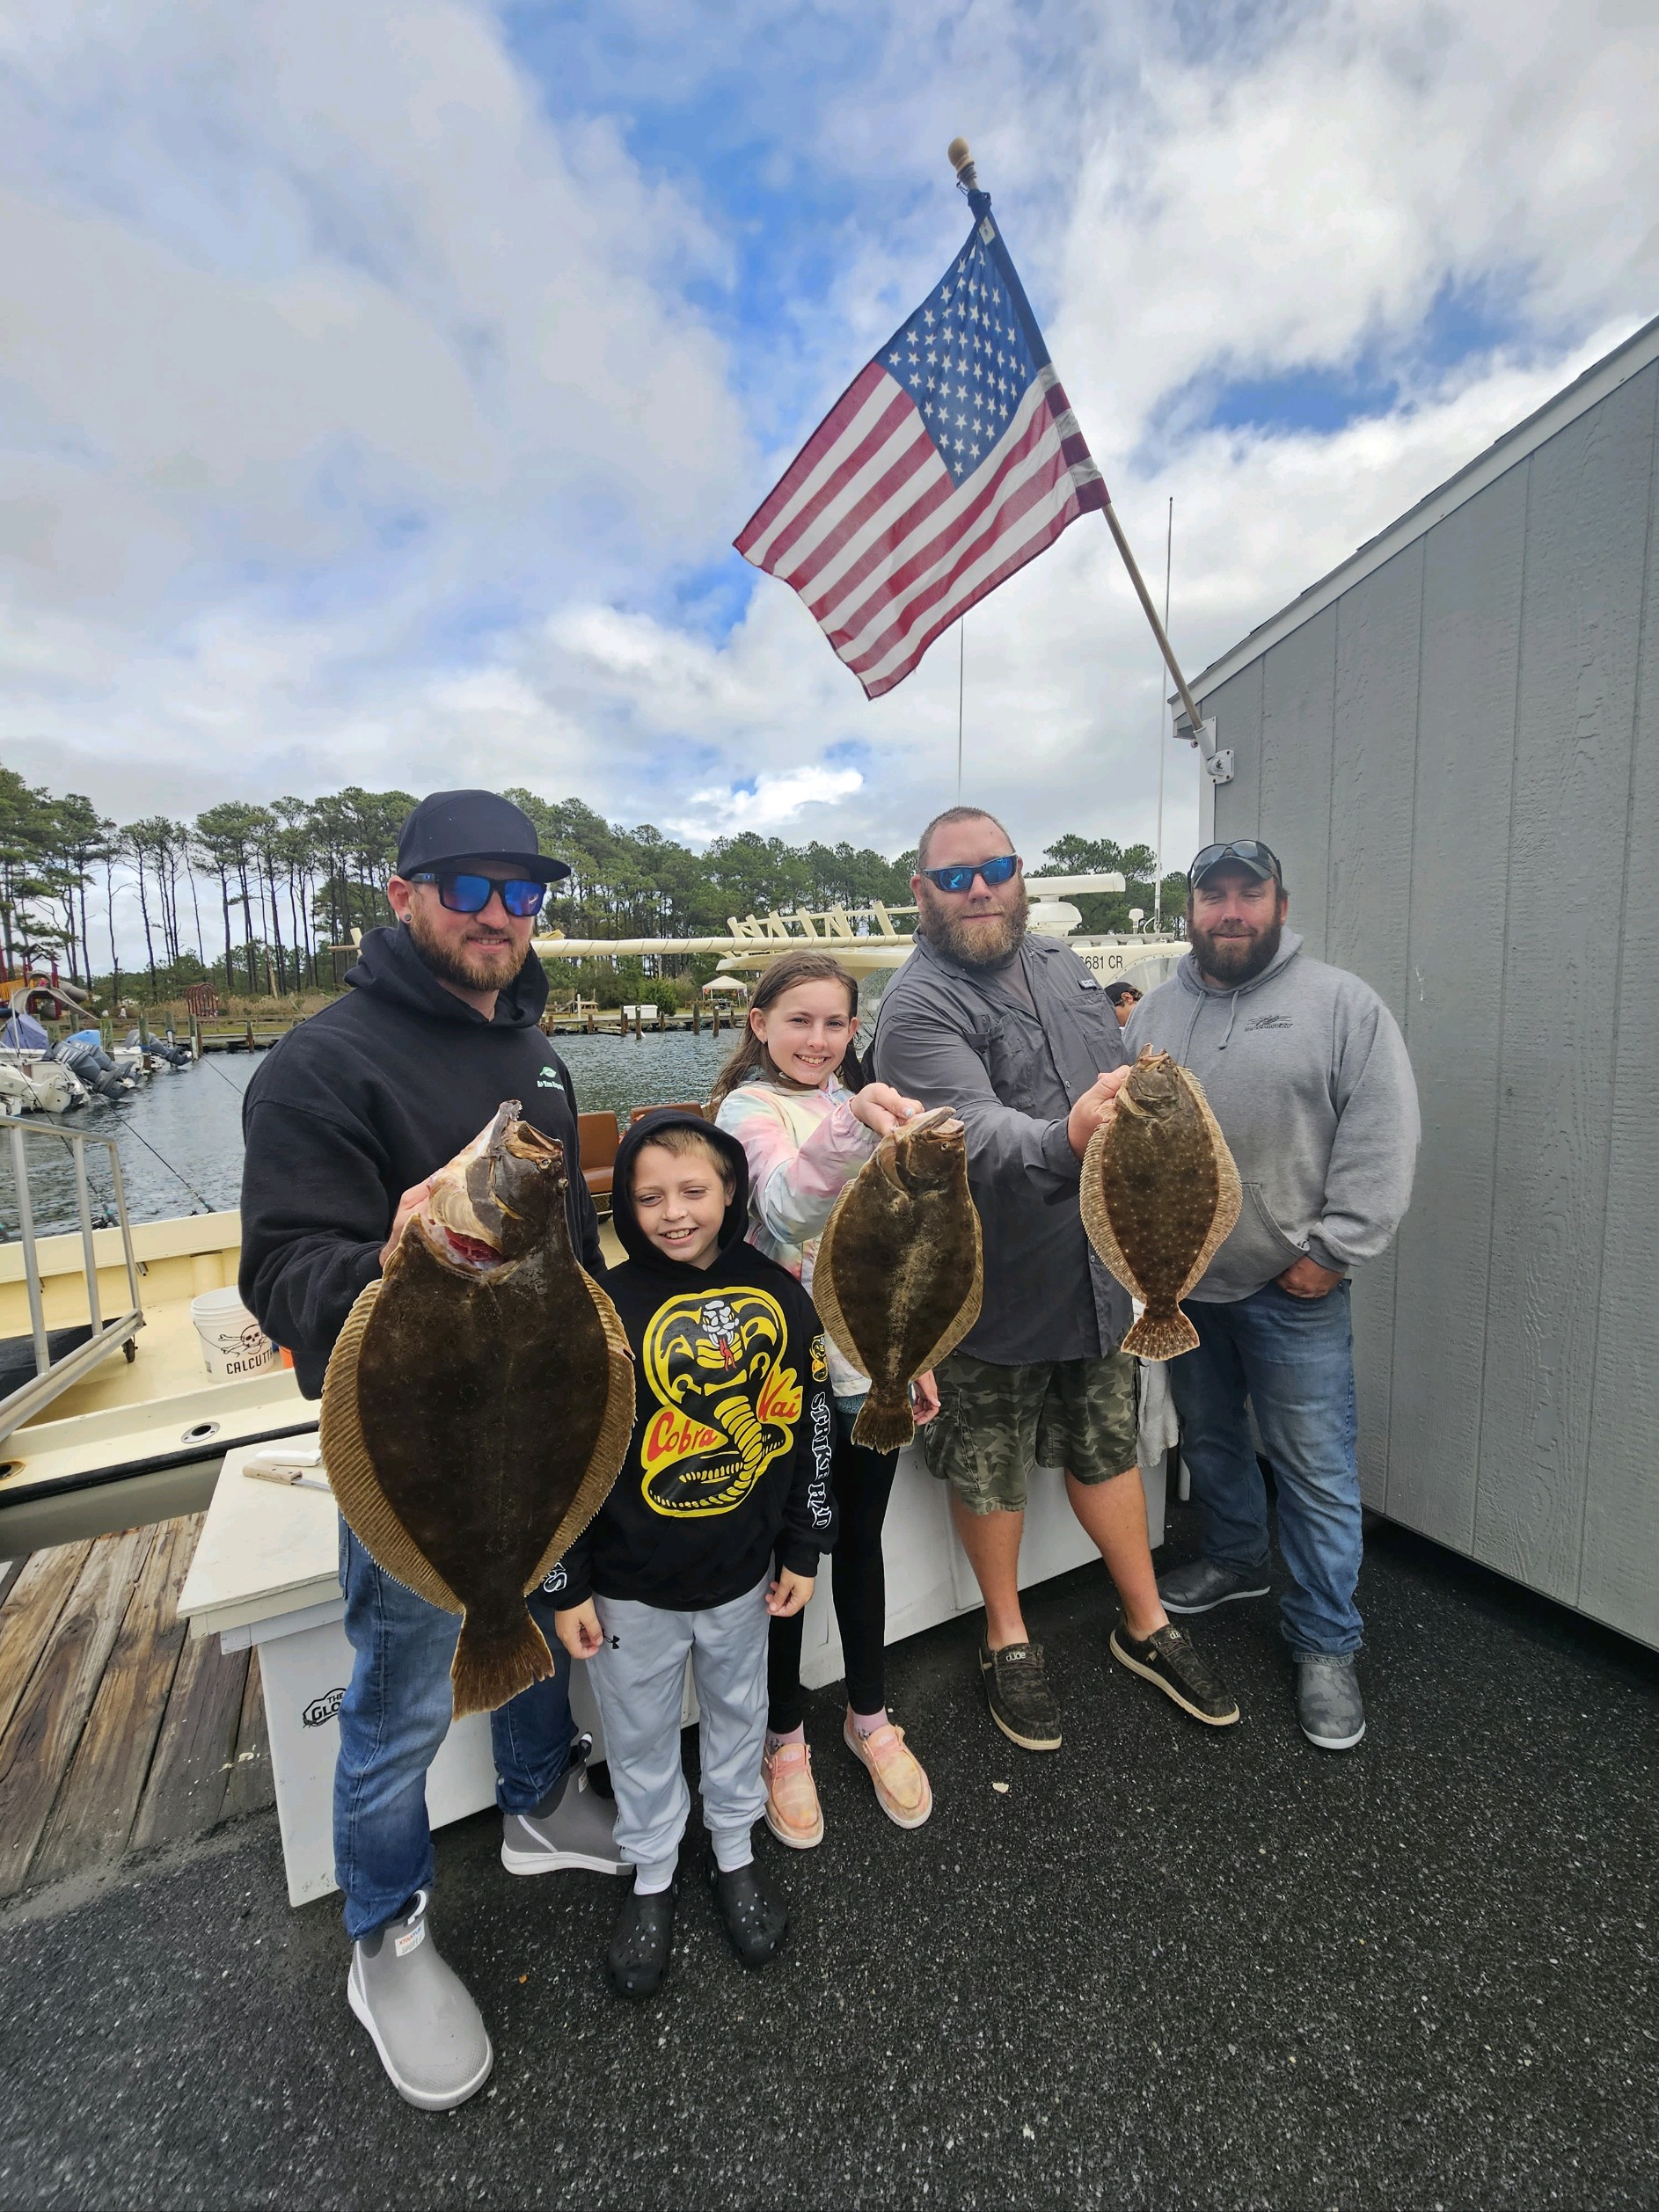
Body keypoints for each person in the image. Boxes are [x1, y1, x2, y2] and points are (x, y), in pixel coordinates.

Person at [239, 790, 625, 2112]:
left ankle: (535, 1800)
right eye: (467, 885)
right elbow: (283, 1275)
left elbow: (572, 1253)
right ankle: (386, 1928)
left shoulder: (535, 1049)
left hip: (538, 1419)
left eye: (523, 892)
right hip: (412, 1444)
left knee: (530, 1617)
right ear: (401, 895)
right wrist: (396, 1256)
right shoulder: (320, 1063)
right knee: (400, 1697)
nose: (498, 914)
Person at [871, 806, 1238, 1752]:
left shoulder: (1063, 963)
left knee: (1106, 1448)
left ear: (1019, 872)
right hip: (990, 1288)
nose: (979, 889)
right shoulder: (915, 1005)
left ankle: (1146, 1621)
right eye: (955, 876)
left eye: (994, 869)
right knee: (988, 1466)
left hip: (1100, 1273)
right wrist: (1068, 1136)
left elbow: (1118, 1081)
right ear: (920, 891)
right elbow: (969, 1131)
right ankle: (1006, 1636)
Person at [1129, 838, 1420, 1752]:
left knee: (1315, 1469)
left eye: (1247, 894)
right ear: (1190, 911)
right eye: (1211, 895)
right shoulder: (1152, 1013)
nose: (1229, 910)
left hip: (1292, 1285)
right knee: (1212, 1438)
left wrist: (1336, 1248)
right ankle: (1234, 1557)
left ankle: (1326, 1638)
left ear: (1280, 906)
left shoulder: (1341, 1004)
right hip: (1181, 1285)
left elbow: (1381, 1131)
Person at [552, 1113, 835, 1999]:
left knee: (739, 1714)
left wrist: (805, 1544)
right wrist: (567, 1581)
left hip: (743, 1576)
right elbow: (565, 1455)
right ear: (624, 1206)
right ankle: (652, 1869)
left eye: (692, 1191)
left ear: (730, 1191)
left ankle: (734, 1848)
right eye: (648, 1197)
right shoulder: (602, 1307)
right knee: (637, 1734)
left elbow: (810, 1426)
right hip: (628, 1586)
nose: (672, 1213)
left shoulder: (781, 1293)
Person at [711, 950, 939, 1848]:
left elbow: (905, 1248)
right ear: (759, 1023)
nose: (817, 1038)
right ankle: (783, 1737)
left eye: (835, 1022)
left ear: (854, 1030)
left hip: (871, 1368)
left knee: (859, 1542)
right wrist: (854, 1122)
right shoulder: (746, 1112)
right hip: (784, 1378)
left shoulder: (865, 1108)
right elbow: (781, 1207)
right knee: (787, 1557)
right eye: (798, 1020)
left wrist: (915, 1352)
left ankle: (869, 1715)